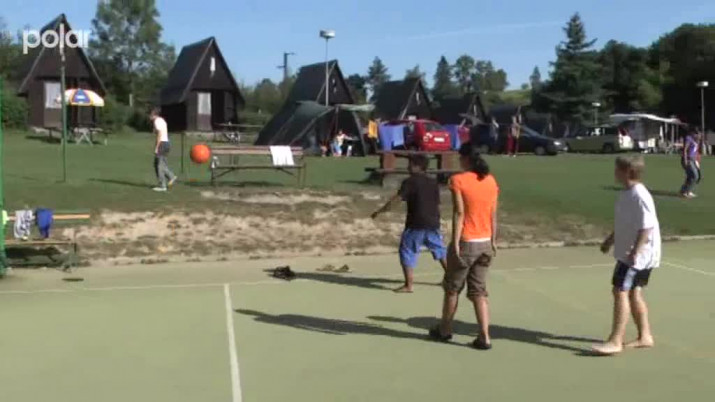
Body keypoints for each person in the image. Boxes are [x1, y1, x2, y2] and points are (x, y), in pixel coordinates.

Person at [429, 143, 499, 350]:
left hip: (467, 241)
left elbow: (459, 213)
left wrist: (456, 242)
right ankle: (484, 335)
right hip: (485, 242)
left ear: (466, 159)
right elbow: (493, 214)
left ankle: (445, 329)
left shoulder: (458, 180)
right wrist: (493, 240)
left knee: (452, 289)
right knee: (479, 291)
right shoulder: (490, 180)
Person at [594, 156, 661, 356]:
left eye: (617, 169)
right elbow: (625, 223)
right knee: (633, 292)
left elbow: (647, 227)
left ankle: (615, 340)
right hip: (631, 252)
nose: (614, 172)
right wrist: (610, 240)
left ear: (627, 172)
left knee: (620, 290)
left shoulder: (639, 195)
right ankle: (645, 336)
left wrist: (635, 252)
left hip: (636, 255)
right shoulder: (626, 194)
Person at [371, 155, 447, 293]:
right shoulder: (433, 182)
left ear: (418, 166)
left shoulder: (410, 182)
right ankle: (451, 278)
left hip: (416, 223)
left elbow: (397, 200)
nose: (408, 167)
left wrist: (380, 211)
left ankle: (409, 285)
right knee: (439, 250)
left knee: (407, 251)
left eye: (410, 164)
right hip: (433, 222)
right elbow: (437, 203)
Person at [150, 108, 177, 192]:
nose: (149, 116)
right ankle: (171, 176)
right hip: (166, 143)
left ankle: (163, 186)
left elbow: (160, 134)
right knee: (158, 163)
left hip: (162, 144)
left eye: (150, 114)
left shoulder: (157, 121)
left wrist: (157, 147)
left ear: (154, 114)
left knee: (159, 165)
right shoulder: (161, 120)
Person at [680, 130, 701, 198]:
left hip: (693, 160)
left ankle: (685, 190)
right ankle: (686, 192)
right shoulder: (689, 139)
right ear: (693, 133)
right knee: (695, 176)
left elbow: (695, 152)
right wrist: (685, 160)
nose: (699, 136)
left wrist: (697, 161)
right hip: (688, 160)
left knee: (690, 176)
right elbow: (685, 150)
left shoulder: (696, 141)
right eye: (697, 134)